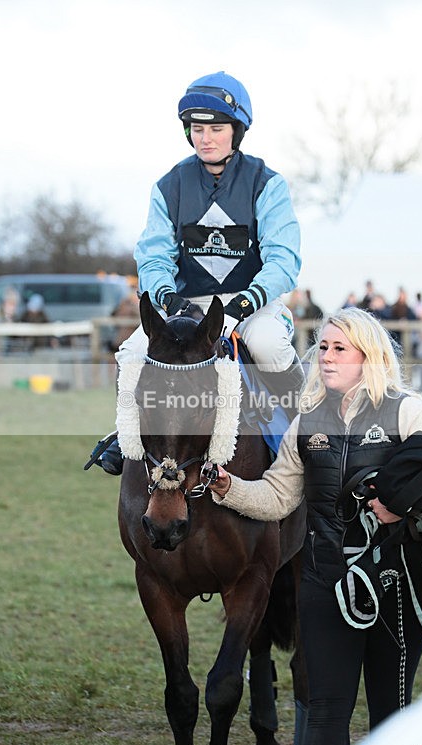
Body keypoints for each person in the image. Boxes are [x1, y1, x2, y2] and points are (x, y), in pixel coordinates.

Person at [208, 306, 422, 745]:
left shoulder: (407, 410)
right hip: (324, 583)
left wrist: (407, 502)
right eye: (323, 348)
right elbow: (278, 497)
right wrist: (229, 487)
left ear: (368, 356)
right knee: (326, 709)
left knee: (391, 712)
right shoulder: (306, 422)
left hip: (395, 585)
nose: (327, 357)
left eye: (340, 349)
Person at [91, 70, 304, 474]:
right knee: (132, 353)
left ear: (237, 131)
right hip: (186, 304)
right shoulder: (168, 185)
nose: (205, 138)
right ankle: (126, 438)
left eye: (216, 128)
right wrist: (169, 300)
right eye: (197, 128)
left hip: (252, 302)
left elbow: (283, 260)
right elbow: (153, 256)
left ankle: (307, 430)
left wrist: (243, 305)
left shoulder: (267, 184)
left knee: (269, 346)